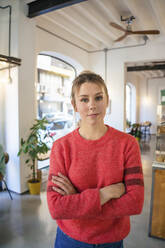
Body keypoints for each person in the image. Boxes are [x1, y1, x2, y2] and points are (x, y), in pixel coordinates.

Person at [47, 71, 144, 248]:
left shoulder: (127, 144)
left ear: (106, 100)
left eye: (98, 98)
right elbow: (56, 207)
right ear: (74, 105)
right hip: (71, 239)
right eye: (84, 99)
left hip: (112, 240)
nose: (92, 105)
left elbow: (135, 203)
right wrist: (104, 194)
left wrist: (76, 201)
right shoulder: (61, 147)